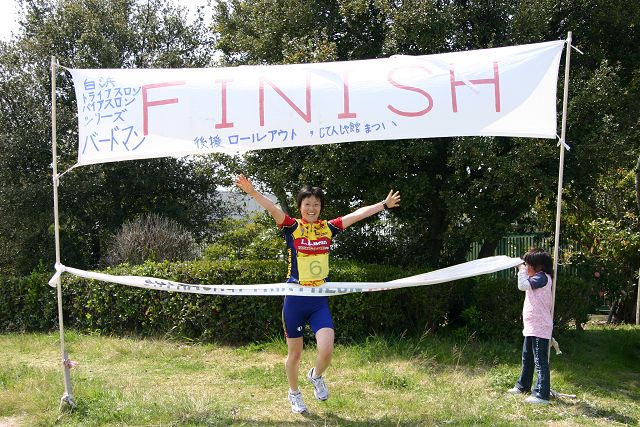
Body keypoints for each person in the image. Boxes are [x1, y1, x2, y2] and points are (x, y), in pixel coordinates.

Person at [235, 174, 401, 413]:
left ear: (321, 207)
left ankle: (316, 376)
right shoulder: (292, 227)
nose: (311, 208)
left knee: (326, 350)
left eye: (316, 204)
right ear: (300, 206)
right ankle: (294, 393)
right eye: (307, 204)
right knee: (295, 354)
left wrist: (383, 205)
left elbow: (357, 215)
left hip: (319, 301)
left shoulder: (328, 228)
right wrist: (252, 192)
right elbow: (272, 208)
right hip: (295, 300)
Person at [508, 248, 554, 404]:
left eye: (528, 264)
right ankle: (523, 386)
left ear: (538, 266)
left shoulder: (542, 277)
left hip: (540, 327)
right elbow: (526, 281)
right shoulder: (537, 277)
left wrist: (521, 270)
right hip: (532, 326)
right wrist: (519, 266)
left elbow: (522, 285)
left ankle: (542, 394)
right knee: (527, 357)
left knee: (540, 361)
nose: (526, 267)